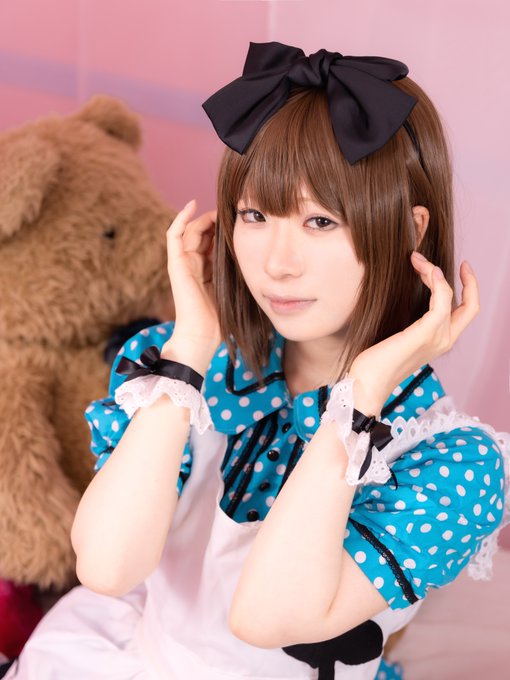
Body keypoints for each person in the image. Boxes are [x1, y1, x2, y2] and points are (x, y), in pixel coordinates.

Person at [4, 42, 509, 680]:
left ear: (410, 230)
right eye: (255, 214)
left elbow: (267, 620)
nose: (276, 263)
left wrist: (362, 395)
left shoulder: (454, 461)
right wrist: (190, 348)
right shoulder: (184, 370)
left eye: (320, 222)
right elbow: (107, 568)